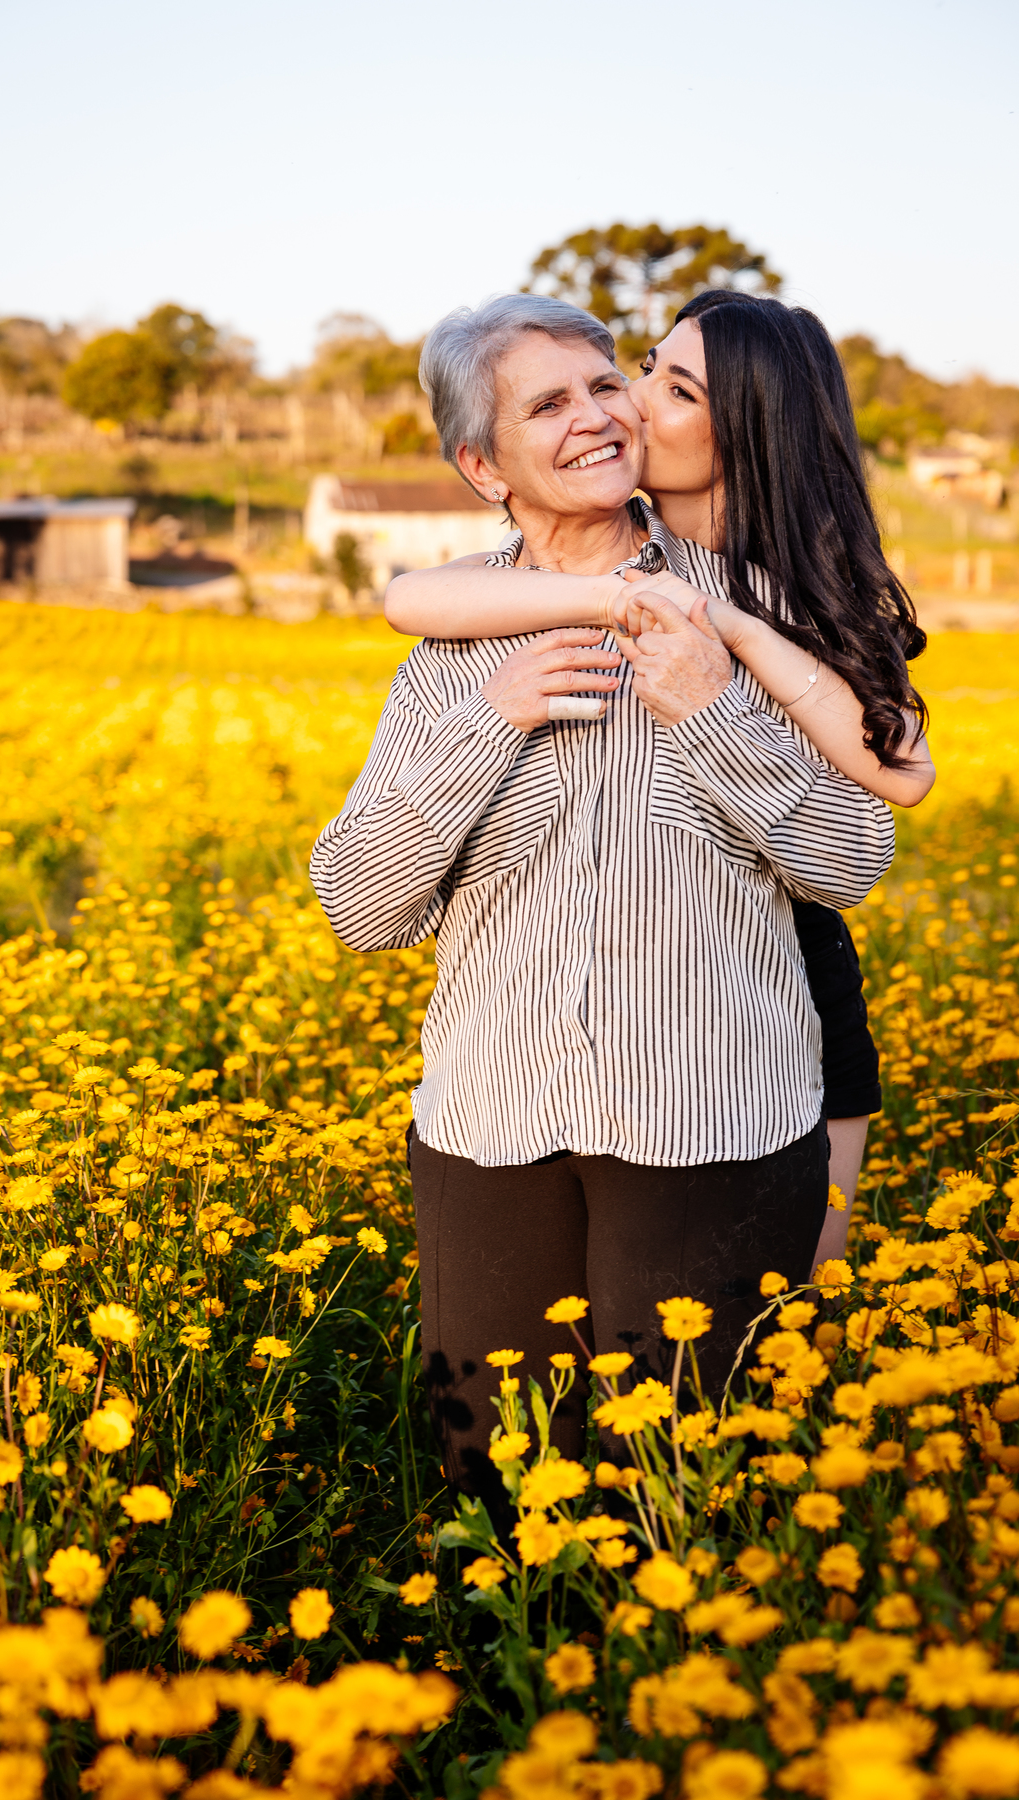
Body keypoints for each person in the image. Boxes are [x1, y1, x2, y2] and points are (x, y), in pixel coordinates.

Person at [311, 293, 896, 1515]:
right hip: (490, 1129)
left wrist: (715, 712)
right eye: (547, 404)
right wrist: (490, 721)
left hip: (713, 1127)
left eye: (602, 384)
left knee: (684, 1498)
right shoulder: (453, 652)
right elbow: (362, 907)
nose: (595, 415)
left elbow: (851, 859)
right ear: (483, 467)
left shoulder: (749, 609)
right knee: (491, 1496)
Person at [384, 290, 934, 1276]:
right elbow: (409, 598)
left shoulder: (782, 598)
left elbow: (895, 784)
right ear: (483, 465)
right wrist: (606, 604)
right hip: (517, 1106)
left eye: (670, 391)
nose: (626, 405)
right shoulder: (512, 608)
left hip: (776, 1003)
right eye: (643, 368)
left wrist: (730, 652)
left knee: (800, 1309)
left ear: (743, 437)